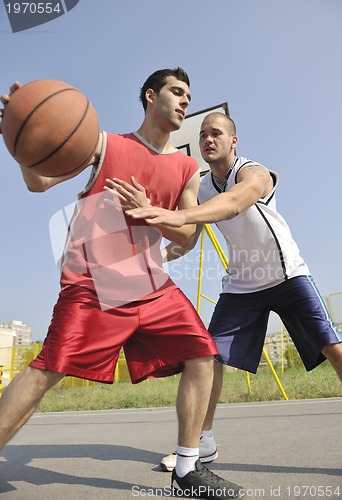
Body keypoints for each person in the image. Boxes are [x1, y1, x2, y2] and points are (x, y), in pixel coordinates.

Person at [0, 73, 245, 499]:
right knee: (47, 370)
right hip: (93, 283)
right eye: (176, 92)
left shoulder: (187, 168)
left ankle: (187, 470)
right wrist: (18, 134)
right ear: (151, 96)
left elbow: (186, 237)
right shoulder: (103, 144)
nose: (185, 101)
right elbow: (37, 182)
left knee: (202, 354)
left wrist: (149, 211)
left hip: (151, 284)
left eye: (189, 96)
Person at [121, 111, 342, 471]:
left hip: (287, 276)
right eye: (203, 134)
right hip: (241, 286)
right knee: (207, 357)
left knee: (333, 347)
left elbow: (237, 201)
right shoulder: (202, 186)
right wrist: (156, 257)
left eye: (217, 133)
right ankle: (202, 443)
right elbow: (188, 242)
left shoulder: (253, 172)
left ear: (233, 141)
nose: (208, 139)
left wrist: (171, 215)